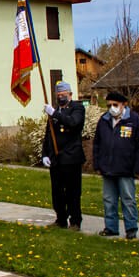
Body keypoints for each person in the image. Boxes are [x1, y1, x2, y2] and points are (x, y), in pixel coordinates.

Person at [92, 91, 139, 238]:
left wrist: (138, 168)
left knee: (128, 200)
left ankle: (131, 229)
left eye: (115, 105)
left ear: (124, 105)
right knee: (109, 200)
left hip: (126, 168)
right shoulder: (103, 120)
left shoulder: (134, 121)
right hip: (108, 168)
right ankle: (111, 228)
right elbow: (97, 143)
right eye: (109, 105)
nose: (112, 108)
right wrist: (97, 164)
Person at [42, 81, 86, 229]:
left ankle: (75, 221)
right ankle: (60, 218)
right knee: (57, 192)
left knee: (73, 192)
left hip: (71, 157)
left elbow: (73, 123)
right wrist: (45, 154)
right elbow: (48, 134)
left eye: (63, 95)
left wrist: (54, 113)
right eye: (58, 95)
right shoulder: (54, 112)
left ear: (70, 95)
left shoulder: (77, 108)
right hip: (56, 158)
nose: (61, 97)